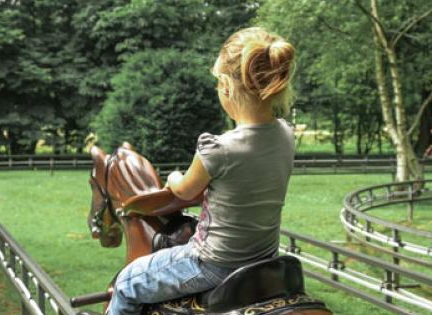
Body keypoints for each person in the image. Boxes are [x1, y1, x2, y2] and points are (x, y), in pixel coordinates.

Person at [107, 27, 296, 315]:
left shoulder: (219, 149)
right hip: (264, 257)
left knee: (126, 282)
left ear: (227, 87)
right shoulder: (285, 135)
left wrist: (172, 177)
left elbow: (184, 190)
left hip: (213, 263)